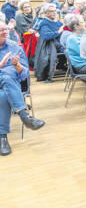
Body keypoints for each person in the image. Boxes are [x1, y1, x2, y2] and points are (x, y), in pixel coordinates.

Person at [0, 22, 45, 156]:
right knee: (6, 79)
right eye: (1, 30)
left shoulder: (14, 47)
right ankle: (25, 117)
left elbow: (25, 74)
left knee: (3, 95)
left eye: (6, 29)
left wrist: (17, 65)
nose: (5, 32)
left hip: (12, 85)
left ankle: (3, 138)